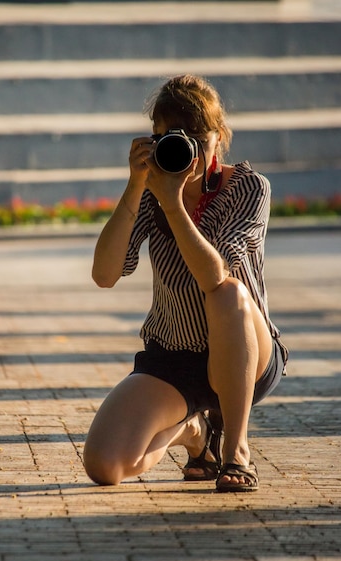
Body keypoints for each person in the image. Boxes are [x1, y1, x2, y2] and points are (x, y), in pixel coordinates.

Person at [83, 74, 288, 492]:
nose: (184, 148)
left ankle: (236, 449)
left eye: (196, 135)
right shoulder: (150, 190)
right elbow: (104, 275)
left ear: (218, 139)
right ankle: (194, 431)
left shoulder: (248, 188)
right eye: (168, 136)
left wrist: (173, 205)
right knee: (105, 466)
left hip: (246, 353)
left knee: (228, 292)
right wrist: (135, 186)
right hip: (176, 354)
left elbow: (216, 276)